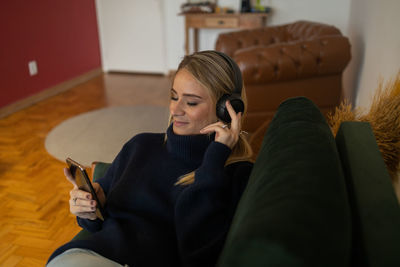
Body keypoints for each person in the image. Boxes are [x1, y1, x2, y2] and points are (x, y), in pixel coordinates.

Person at [47, 50, 254, 267]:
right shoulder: (140, 145)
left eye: (191, 102)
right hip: (87, 256)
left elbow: (199, 253)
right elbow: (96, 223)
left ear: (226, 109)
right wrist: (87, 209)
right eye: (174, 96)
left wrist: (215, 158)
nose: (175, 109)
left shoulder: (234, 172)